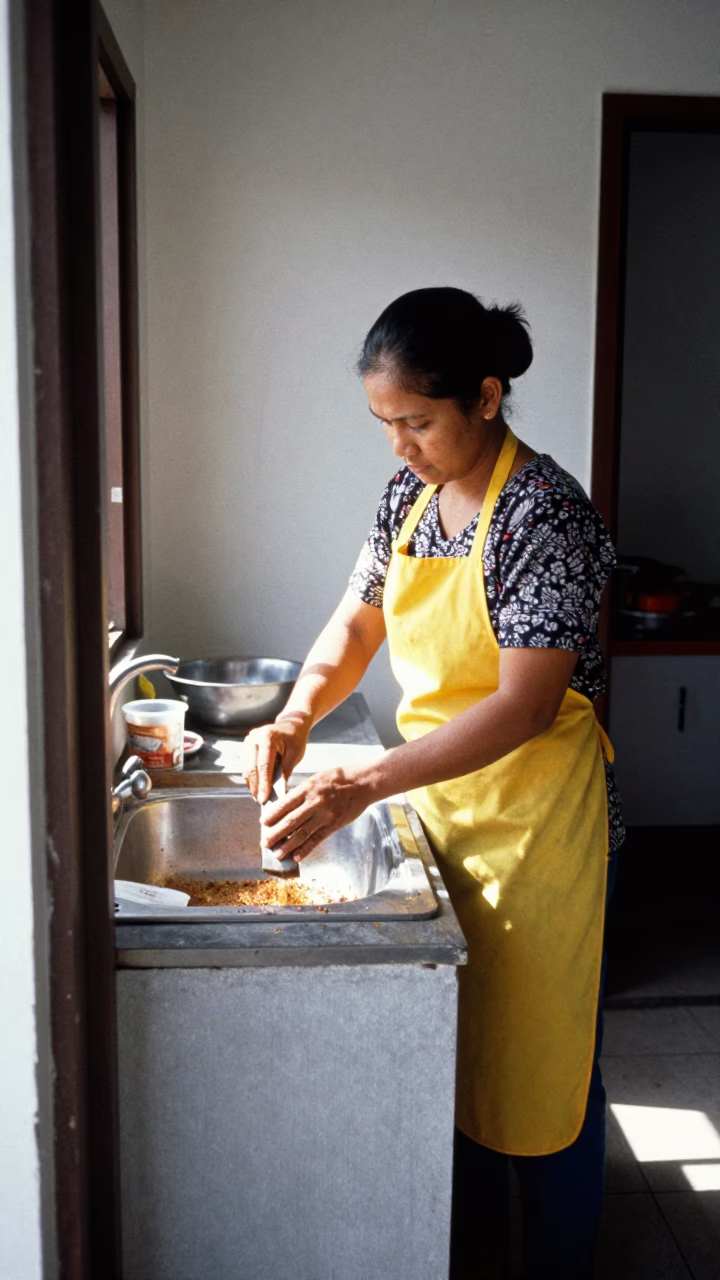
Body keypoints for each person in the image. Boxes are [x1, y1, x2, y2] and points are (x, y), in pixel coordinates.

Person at [242, 286, 624, 1279]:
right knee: (452, 1053)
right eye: (384, 422)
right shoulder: (407, 497)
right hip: (440, 809)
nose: (399, 444)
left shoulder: (546, 515)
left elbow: (525, 706)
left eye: (416, 420)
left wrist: (363, 781)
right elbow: (357, 622)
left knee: (542, 1070)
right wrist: (295, 713)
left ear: (486, 397)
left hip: (540, 828)